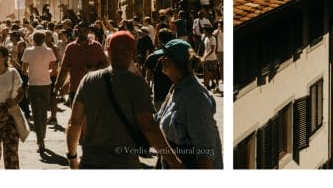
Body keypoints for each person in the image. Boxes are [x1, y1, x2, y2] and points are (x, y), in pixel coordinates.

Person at [66, 31, 182, 169]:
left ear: (108, 51)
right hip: (125, 163)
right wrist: (174, 162)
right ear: (133, 53)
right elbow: (148, 127)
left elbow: (75, 123)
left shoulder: (89, 80)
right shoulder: (137, 84)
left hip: (91, 162)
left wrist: (72, 158)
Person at [153, 39, 222, 168]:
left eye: (163, 57)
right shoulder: (176, 88)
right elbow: (158, 122)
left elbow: (205, 151)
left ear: (171, 61)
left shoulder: (195, 98)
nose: (161, 60)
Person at [20, 30, 59, 152]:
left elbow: (24, 70)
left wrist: (32, 73)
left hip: (33, 85)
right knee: (43, 112)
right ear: (43, 40)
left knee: (36, 113)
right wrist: (46, 74)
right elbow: (54, 70)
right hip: (46, 85)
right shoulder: (49, 51)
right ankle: (42, 136)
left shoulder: (28, 51)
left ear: (33, 40)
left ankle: (40, 140)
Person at [55, 21, 108, 103]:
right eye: (80, 31)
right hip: (75, 88)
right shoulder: (71, 47)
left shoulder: (96, 46)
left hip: (93, 88)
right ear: (77, 31)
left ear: (88, 31)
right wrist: (57, 85)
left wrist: (95, 69)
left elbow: (105, 63)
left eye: (84, 31)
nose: (82, 33)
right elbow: (64, 68)